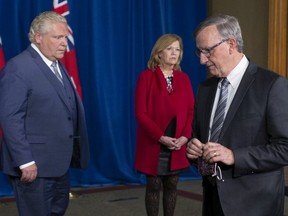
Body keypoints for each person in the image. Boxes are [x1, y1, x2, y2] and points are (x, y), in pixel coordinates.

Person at [186, 14, 288, 216]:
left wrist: (235, 156)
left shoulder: (271, 85)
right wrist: (192, 149)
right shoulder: (205, 88)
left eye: (207, 51)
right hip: (213, 199)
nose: (202, 60)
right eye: (199, 51)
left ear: (231, 44)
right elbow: (198, 137)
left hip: (255, 203)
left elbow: (285, 148)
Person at [0, 11, 90, 216]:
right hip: (34, 166)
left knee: (56, 211)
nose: (64, 43)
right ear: (38, 37)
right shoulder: (18, 68)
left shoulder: (56, 65)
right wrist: (25, 161)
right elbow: (10, 118)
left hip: (58, 163)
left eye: (65, 37)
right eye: (57, 37)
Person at [134, 34, 194, 216]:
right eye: (169, 49)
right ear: (159, 53)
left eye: (177, 49)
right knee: (153, 185)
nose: (174, 53)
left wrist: (184, 137)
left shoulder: (184, 79)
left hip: (177, 141)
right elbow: (141, 114)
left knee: (172, 184)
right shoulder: (146, 77)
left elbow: (191, 111)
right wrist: (160, 137)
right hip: (155, 140)